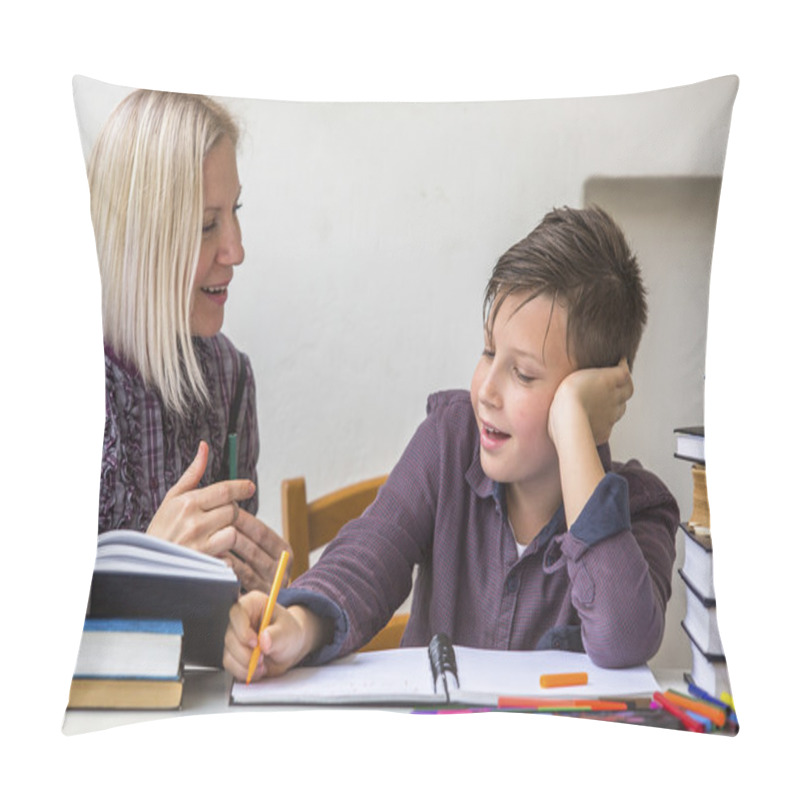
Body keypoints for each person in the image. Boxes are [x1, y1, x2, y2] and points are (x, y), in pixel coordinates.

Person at [223, 206, 679, 679]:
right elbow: (370, 556)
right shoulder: (449, 442)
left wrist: (573, 424)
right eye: (488, 352)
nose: (485, 390)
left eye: (522, 374)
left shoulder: (643, 509)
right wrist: (299, 626)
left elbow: (622, 639)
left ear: (593, 394)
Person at [89, 89, 290, 592]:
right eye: (206, 225)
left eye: (234, 210)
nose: (236, 250)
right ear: (139, 236)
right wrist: (148, 569)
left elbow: (226, 604)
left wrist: (267, 602)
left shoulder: (231, 379)